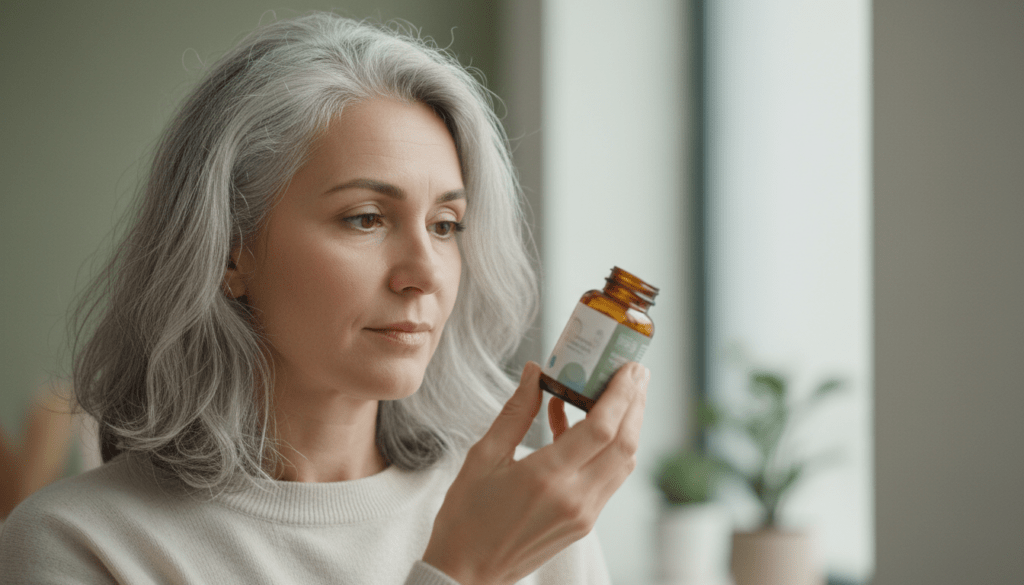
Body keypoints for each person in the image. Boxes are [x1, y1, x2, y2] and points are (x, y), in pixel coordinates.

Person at [0, 13, 649, 584]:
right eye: (366, 218)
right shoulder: (78, 543)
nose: (425, 273)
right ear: (230, 251)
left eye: (445, 225)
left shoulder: (532, 511)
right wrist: (463, 571)